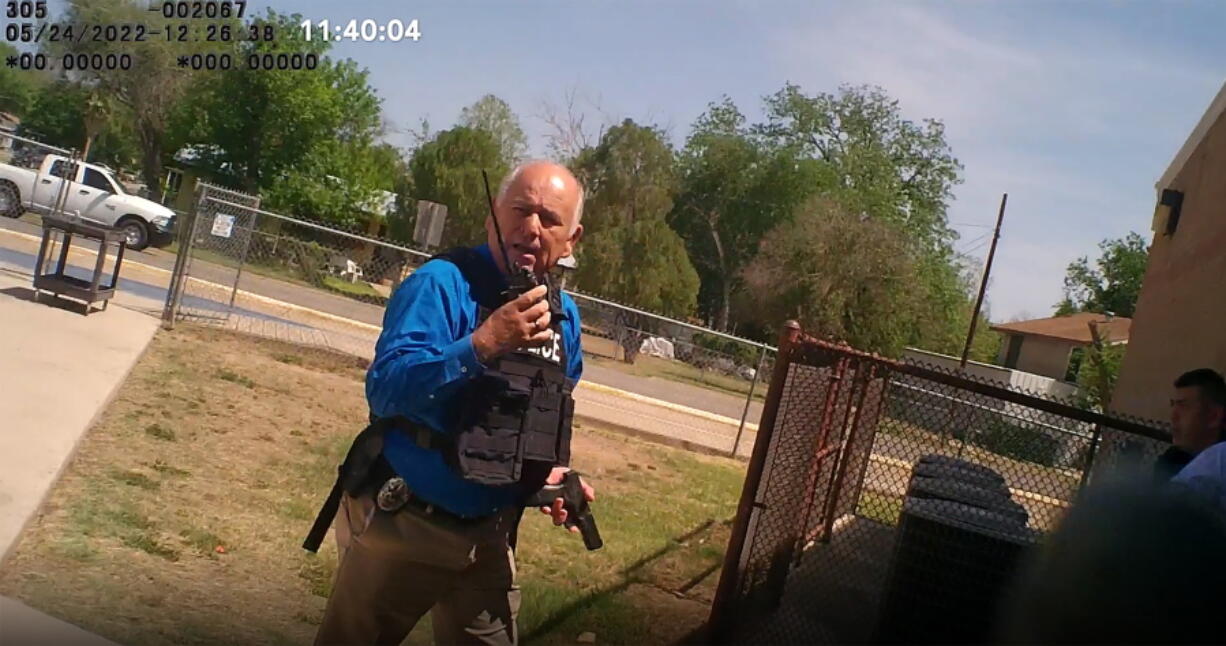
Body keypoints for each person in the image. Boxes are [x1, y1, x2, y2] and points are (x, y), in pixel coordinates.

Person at [311, 160, 594, 646]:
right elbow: (386, 388)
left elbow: (533, 416)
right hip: (408, 522)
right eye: (520, 210)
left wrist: (548, 472)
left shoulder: (564, 318)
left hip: (490, 536)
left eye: (549, 219)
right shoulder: (441, 284)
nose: (531, 228)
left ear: (571, 239)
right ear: (492, 219)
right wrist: (482, 344)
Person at [1153, 368, 1226, 483]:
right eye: (1173, 405)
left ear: (1214, 417)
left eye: (1183, 406)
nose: (1173, 416)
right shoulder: (1170, 461)